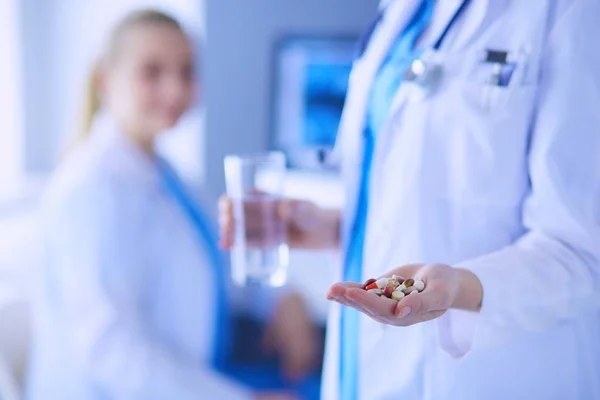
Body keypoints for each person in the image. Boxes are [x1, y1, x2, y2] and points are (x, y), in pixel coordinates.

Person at [220, 0, 600, 399]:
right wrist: (332, 227)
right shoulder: (402, 15)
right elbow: (409, 200)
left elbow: (581, 251)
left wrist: (460, 288)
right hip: (361, 368)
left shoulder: (569, 12)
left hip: (490, 377)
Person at [26, 9, 308, 400]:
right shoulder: (88, 189)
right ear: (106, 83)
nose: (175, 90)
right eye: (152, 72)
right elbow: (110, 349)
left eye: (187, 72)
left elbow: (219, 258)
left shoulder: (169, 176)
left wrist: (282, 299)